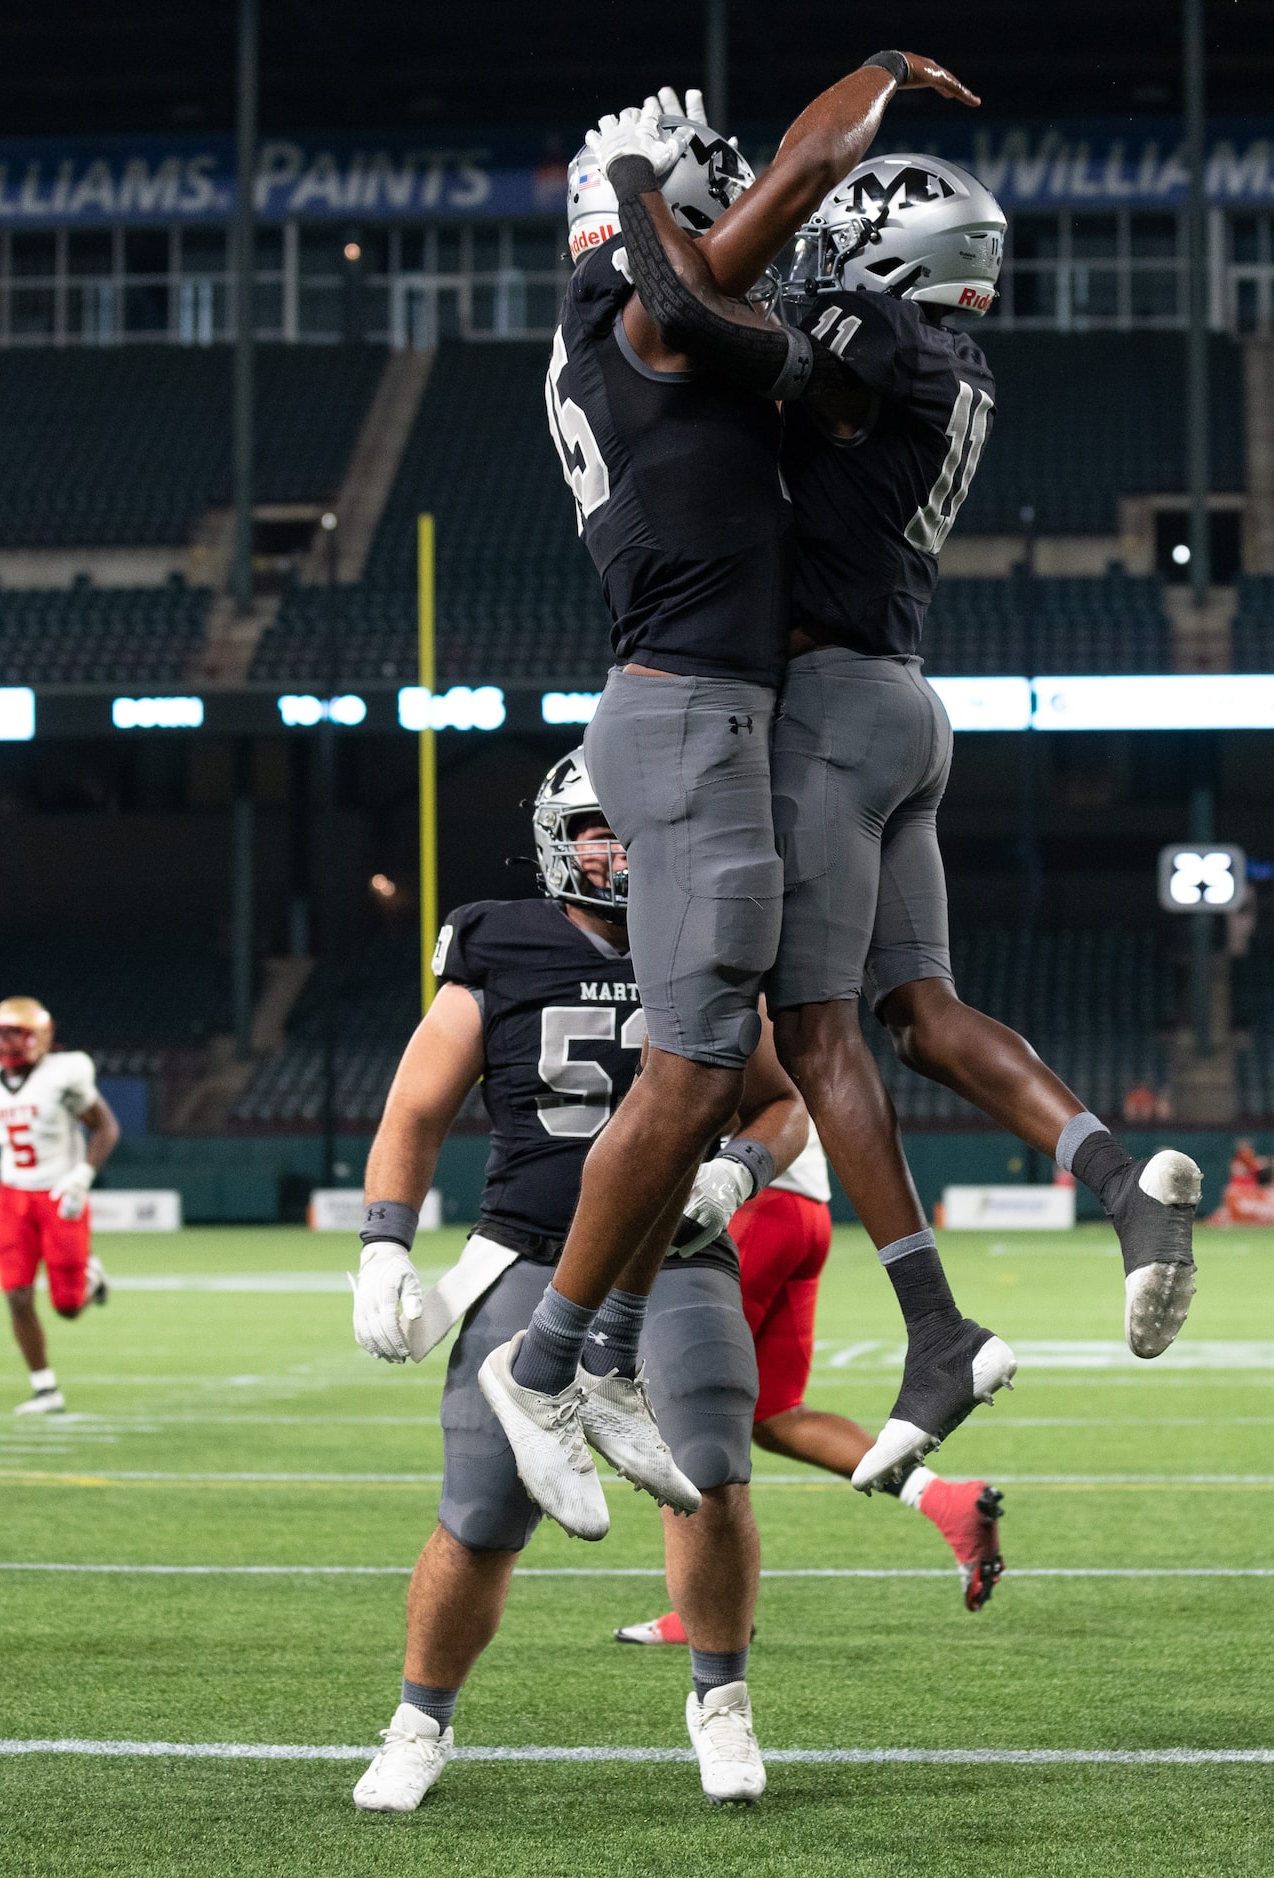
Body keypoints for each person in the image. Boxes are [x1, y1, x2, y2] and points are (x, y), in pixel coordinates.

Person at [591, 105, 1202, 1490]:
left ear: (886, 245)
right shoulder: (953, 355)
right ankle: (1117, 1187)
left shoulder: (885, 342)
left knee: (812, 1029)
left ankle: (932, 1328)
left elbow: (693, 319)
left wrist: (632, 190)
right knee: (918, 1015)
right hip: (904, 704)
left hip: (825, 707)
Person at [483, 54, 981, 1540]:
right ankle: (543, 1356)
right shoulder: (642, 311)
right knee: (698, 1070)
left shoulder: (621, 327)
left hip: (713, 711)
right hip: (684, 712)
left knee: (728, 1052)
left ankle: (605, 1346)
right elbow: (793, 193)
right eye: (718, 190)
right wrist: (874, 73)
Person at [348, 750, 808, 1810]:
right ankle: (420, 1721)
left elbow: (780, 1101)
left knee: (706, 1469)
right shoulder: (499, 941)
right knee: (479, 1509)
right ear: (562, 836)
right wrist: (382, 1242)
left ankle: (721, 1704)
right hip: (527, 1253)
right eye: (599, 825)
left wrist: (737, 1171)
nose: (619, 846)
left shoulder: (704, 941)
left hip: (677, 1260)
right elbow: (414, 1108)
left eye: (634, 825)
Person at [615, 1120, 1005, 1644]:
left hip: (746, 1205)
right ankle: (945, 1503)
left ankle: (706, 1610)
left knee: (686, 1406)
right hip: (802, 1211)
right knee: (776, 1415)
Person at [0, 996, 120, 1414]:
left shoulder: (64, 1074)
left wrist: (83, 1174)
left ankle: (91, 1280)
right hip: (13, 1195)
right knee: (17, 1296)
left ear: (40, 1038)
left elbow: (106, 1126)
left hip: (60, 1193)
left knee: (68, 1307)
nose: (5, 1042)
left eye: (14, 1033)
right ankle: (45, 1389)